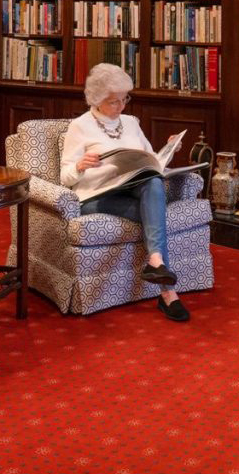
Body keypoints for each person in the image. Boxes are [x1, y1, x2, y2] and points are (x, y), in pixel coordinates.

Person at [59, 63, 190, 322]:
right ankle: (168, 294)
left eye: (124, 99)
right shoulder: (79, 126)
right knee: (155, 216)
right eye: (113, 102)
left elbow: (150, 159)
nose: (120, 107)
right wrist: (80, 165)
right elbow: (65, 177)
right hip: (97, 197)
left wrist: (169, 148)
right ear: (96, 99)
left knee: (152, 181)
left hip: (130, 188)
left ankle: (155, 262)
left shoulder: (130, 123)